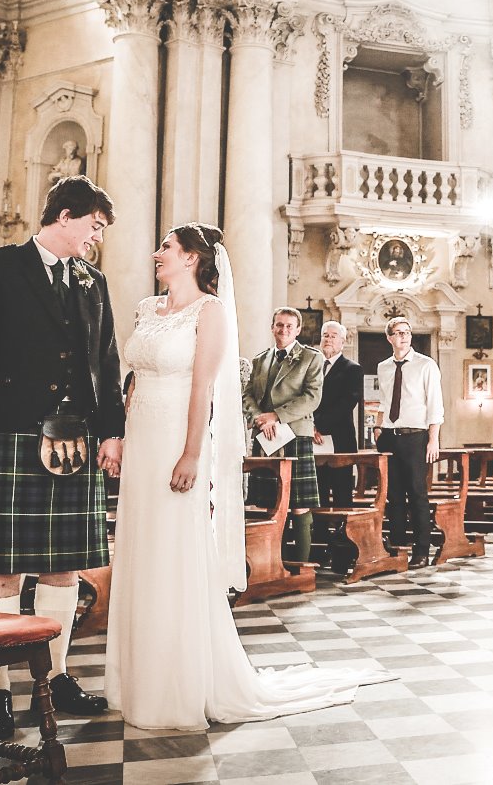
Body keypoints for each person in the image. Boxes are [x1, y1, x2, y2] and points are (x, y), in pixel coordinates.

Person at [105, 224, 394, 730]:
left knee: (173, 551)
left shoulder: (210, 311)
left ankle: (176, 684)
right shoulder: (148, 310)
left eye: (167, 248)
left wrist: (193, 452)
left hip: (177, 438)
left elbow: (203, 389)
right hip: (141, 441)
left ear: (192, 258)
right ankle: (136, 678)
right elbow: (132, 381)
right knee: (140, 548)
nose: (156, 254)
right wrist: (123, 436)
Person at [0, 175, 125, 738]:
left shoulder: (92, 281)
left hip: (75, 441)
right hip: (11, 440)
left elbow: (107, 360)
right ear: (66, 215)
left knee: (64, 565)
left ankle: (52, 677)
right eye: (93, 226)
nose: (96, 238)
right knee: (0, 570)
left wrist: (112, 432)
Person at [243, 308, 324, 563]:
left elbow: (312, 397)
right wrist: (259, 417)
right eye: (279, 325)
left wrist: (275, 416)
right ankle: (272, 564)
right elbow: (247, 395)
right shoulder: (260, 359)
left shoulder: (311, 358)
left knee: (299, 503)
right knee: (270, 502)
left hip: (295, 434)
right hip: (265, 436)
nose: (284, 330)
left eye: (289, 326)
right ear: (272, 327)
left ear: (298, 329)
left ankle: (301, 565)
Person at [375, 316, 443, 568]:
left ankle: (421, 551)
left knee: (417, 494)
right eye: (398, 332)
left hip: (416, 437)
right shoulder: (383, 367)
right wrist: (378, 428)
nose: (403, 336)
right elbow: (383, 401)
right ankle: (398, 548)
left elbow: (435, 405)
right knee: (392, 496)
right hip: (389, 436)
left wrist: (433, 440)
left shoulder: (426, 365)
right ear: (389, 337)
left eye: (407, 332)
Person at [314, 321, 363, 508]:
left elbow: (347, 403)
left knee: (342, 490)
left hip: (340, 439)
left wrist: (319, 426)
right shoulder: (312, 367)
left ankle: (343, 534)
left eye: (333, 336)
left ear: (342, 342)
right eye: (325, 335)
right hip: (313, 437)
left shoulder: (352, 369)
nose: (328, 339)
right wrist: (310, 427)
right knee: (318, 490)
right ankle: (320, 533)